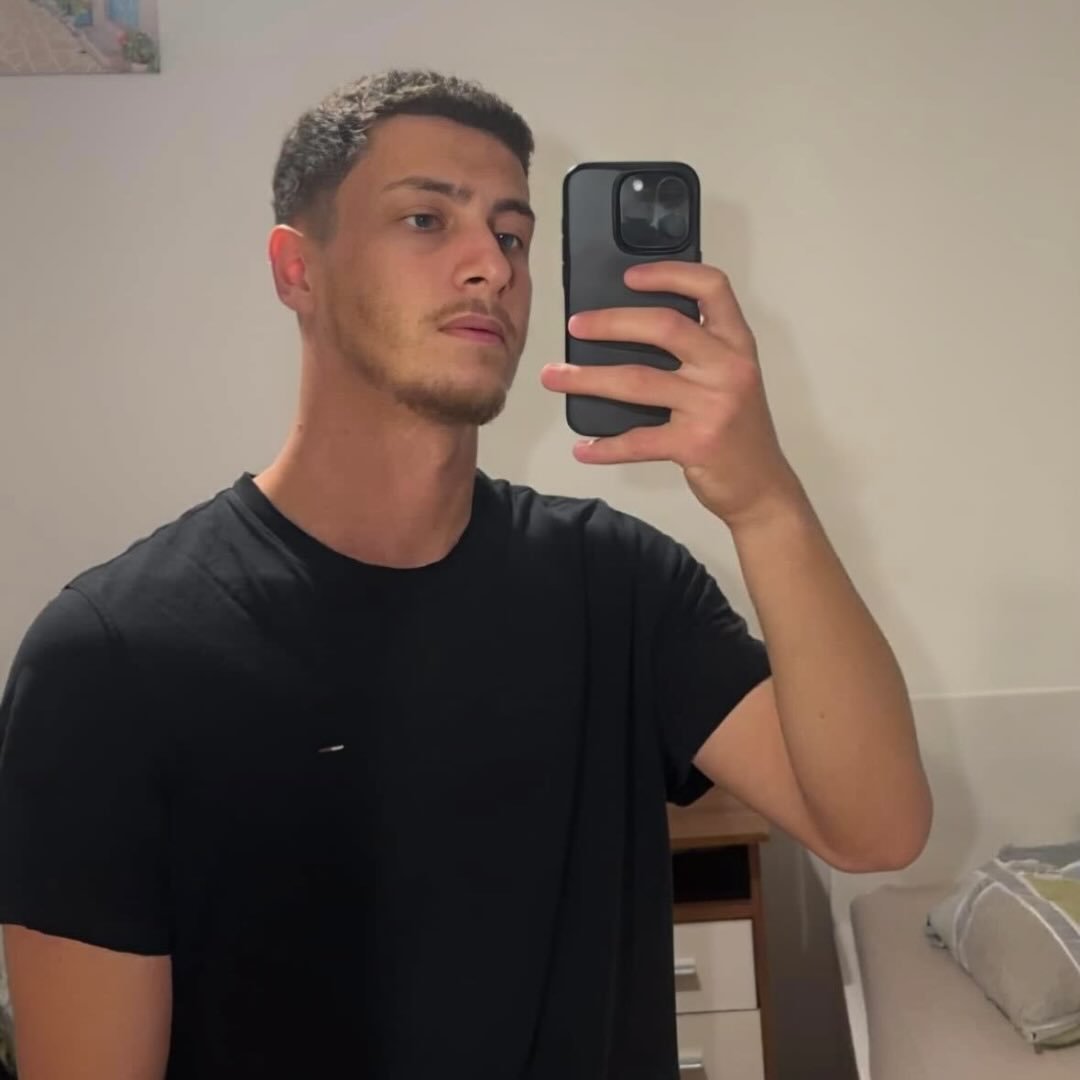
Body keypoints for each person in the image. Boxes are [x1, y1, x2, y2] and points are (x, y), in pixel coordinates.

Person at [0, 69, 932, 1079]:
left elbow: (875, 831)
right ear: (297, 269)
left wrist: (765, 501)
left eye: (513, 235)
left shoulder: (620, 585)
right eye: (425, 220)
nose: (490, 264)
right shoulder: (110, 658)